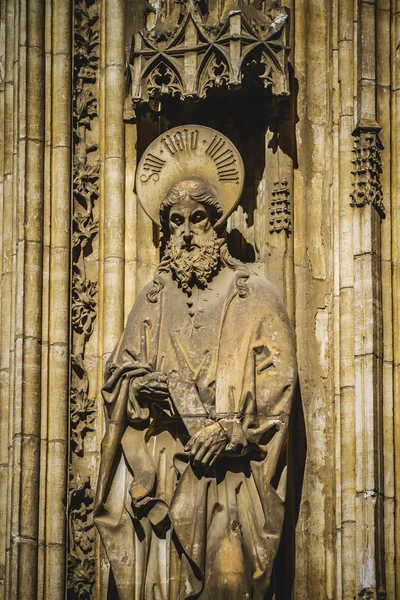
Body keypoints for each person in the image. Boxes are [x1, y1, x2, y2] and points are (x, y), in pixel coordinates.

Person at [94, 136, 297, 600]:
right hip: (162, 470)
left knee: (229, 582)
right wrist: (141, 386)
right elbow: (117, 380)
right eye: (175, 221)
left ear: (217, 222)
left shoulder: (255, 294)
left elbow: (278, 387)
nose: (186, 232)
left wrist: (232, 432)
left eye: (197, 218)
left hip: (228, 475)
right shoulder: (152, 298)